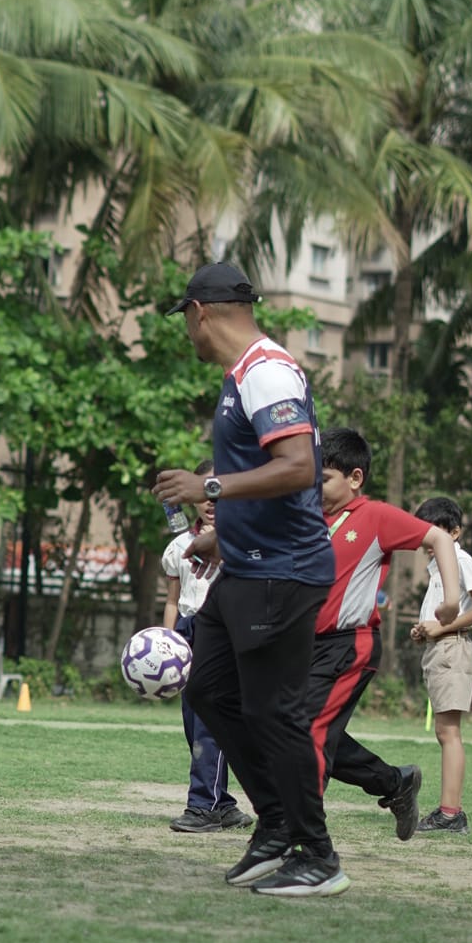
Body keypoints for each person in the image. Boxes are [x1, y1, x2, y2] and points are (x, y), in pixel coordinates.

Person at [153, 261, 346, 897]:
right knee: (208, 689)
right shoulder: (244, 376)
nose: (187, 333)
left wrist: (207, 487)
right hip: (246, 567)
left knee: (273, 713)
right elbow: (269, 482)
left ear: (201, 311)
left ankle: (316, 853)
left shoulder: (267, 371)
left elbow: (297, 469)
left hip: (284, 575)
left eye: (184, 319)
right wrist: (220, 533)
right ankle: (274, 823)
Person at [309, 428, 461, 839]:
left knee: (310, 735)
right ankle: (395, 783)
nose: (314, 487)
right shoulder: (309, 519)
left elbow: (438, 540)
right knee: (297, 731)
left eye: (323, 479)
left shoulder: (374, 516)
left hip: (349, 645)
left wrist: (450, 599)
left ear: (355, 478)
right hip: (303, 648)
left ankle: (299, 836)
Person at [162, 459, 252, 834]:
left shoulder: (246, 540)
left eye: (219, 489)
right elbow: (172, 599)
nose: (211, 500)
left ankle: (203, 806)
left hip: (225, 633)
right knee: (193, 725)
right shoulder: (180, 545)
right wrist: (169, 643)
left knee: (208, 726)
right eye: (205, 490)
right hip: (188, 631)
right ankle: (223, 802)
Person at [410, 496, 472, 835]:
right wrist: (424, 629)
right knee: (444, 731)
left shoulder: (460, 560)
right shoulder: (438, 568)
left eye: (436, 531)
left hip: (452, 648)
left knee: (449, 732)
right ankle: (449, 810)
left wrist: (442, 628)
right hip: (439, 648)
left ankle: (450, 813)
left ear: (455, 532)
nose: (427, 540)